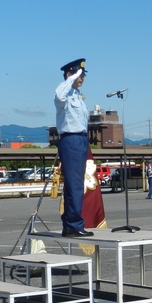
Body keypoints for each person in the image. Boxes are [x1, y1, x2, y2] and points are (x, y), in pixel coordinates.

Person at [54, 58, 93, 237]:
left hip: (81, 140)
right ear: (70, 74)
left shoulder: (77, 95)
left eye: (83, 75)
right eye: (80, 74)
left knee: (75, 185)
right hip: (71, 140)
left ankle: (71, 223)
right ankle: (73, 224)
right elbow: (59, 96)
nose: (82, 78)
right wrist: (70, 79)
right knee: (74, 184)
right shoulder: (65, 94)